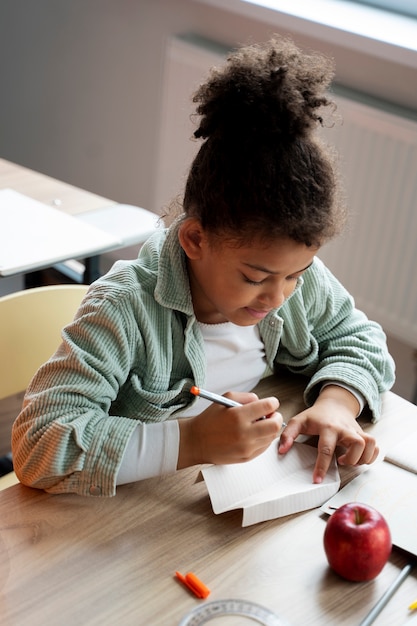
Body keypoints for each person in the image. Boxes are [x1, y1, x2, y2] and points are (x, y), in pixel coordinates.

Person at [12, 36, 395, 496]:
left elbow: (361, 339)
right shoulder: (123, 309)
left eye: (295, 274)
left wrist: (337, 402)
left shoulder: (295, 282)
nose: (278, 297)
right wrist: (190, 440)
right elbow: (36, 445)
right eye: (255, 278)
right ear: (195, 239)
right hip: (133, 528)